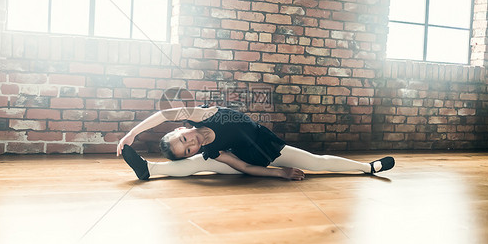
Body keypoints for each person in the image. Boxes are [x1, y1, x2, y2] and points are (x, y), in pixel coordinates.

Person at [117, 105, 395, 181]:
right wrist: (279, 174)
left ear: (182, 127)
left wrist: (133, 134)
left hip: (271, 148)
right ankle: (149, 170)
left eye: (184, 138)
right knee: (198, 166)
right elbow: (246, 168)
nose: (191, 143)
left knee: (317, 163)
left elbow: (164, 113)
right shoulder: (212, 152)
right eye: (187, 148)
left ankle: (367, 167)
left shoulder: (204, 115)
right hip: (250, 161)